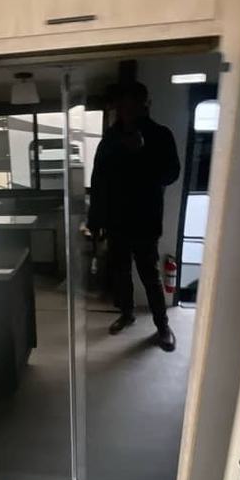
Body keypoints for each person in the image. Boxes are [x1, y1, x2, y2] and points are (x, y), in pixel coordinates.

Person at [87, 81, 181, 352]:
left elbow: (171, 174)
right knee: (120, 273)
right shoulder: (110, 138)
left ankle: (163, 326)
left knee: (150, 275)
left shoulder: (160, 135)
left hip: (145, 220)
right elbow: (98, 180)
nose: (126, 111)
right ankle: (127, 314)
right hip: (116, 220)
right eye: (123, 106)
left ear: (145, 105)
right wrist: (95, 221)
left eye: (132, 105)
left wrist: (143, 152)